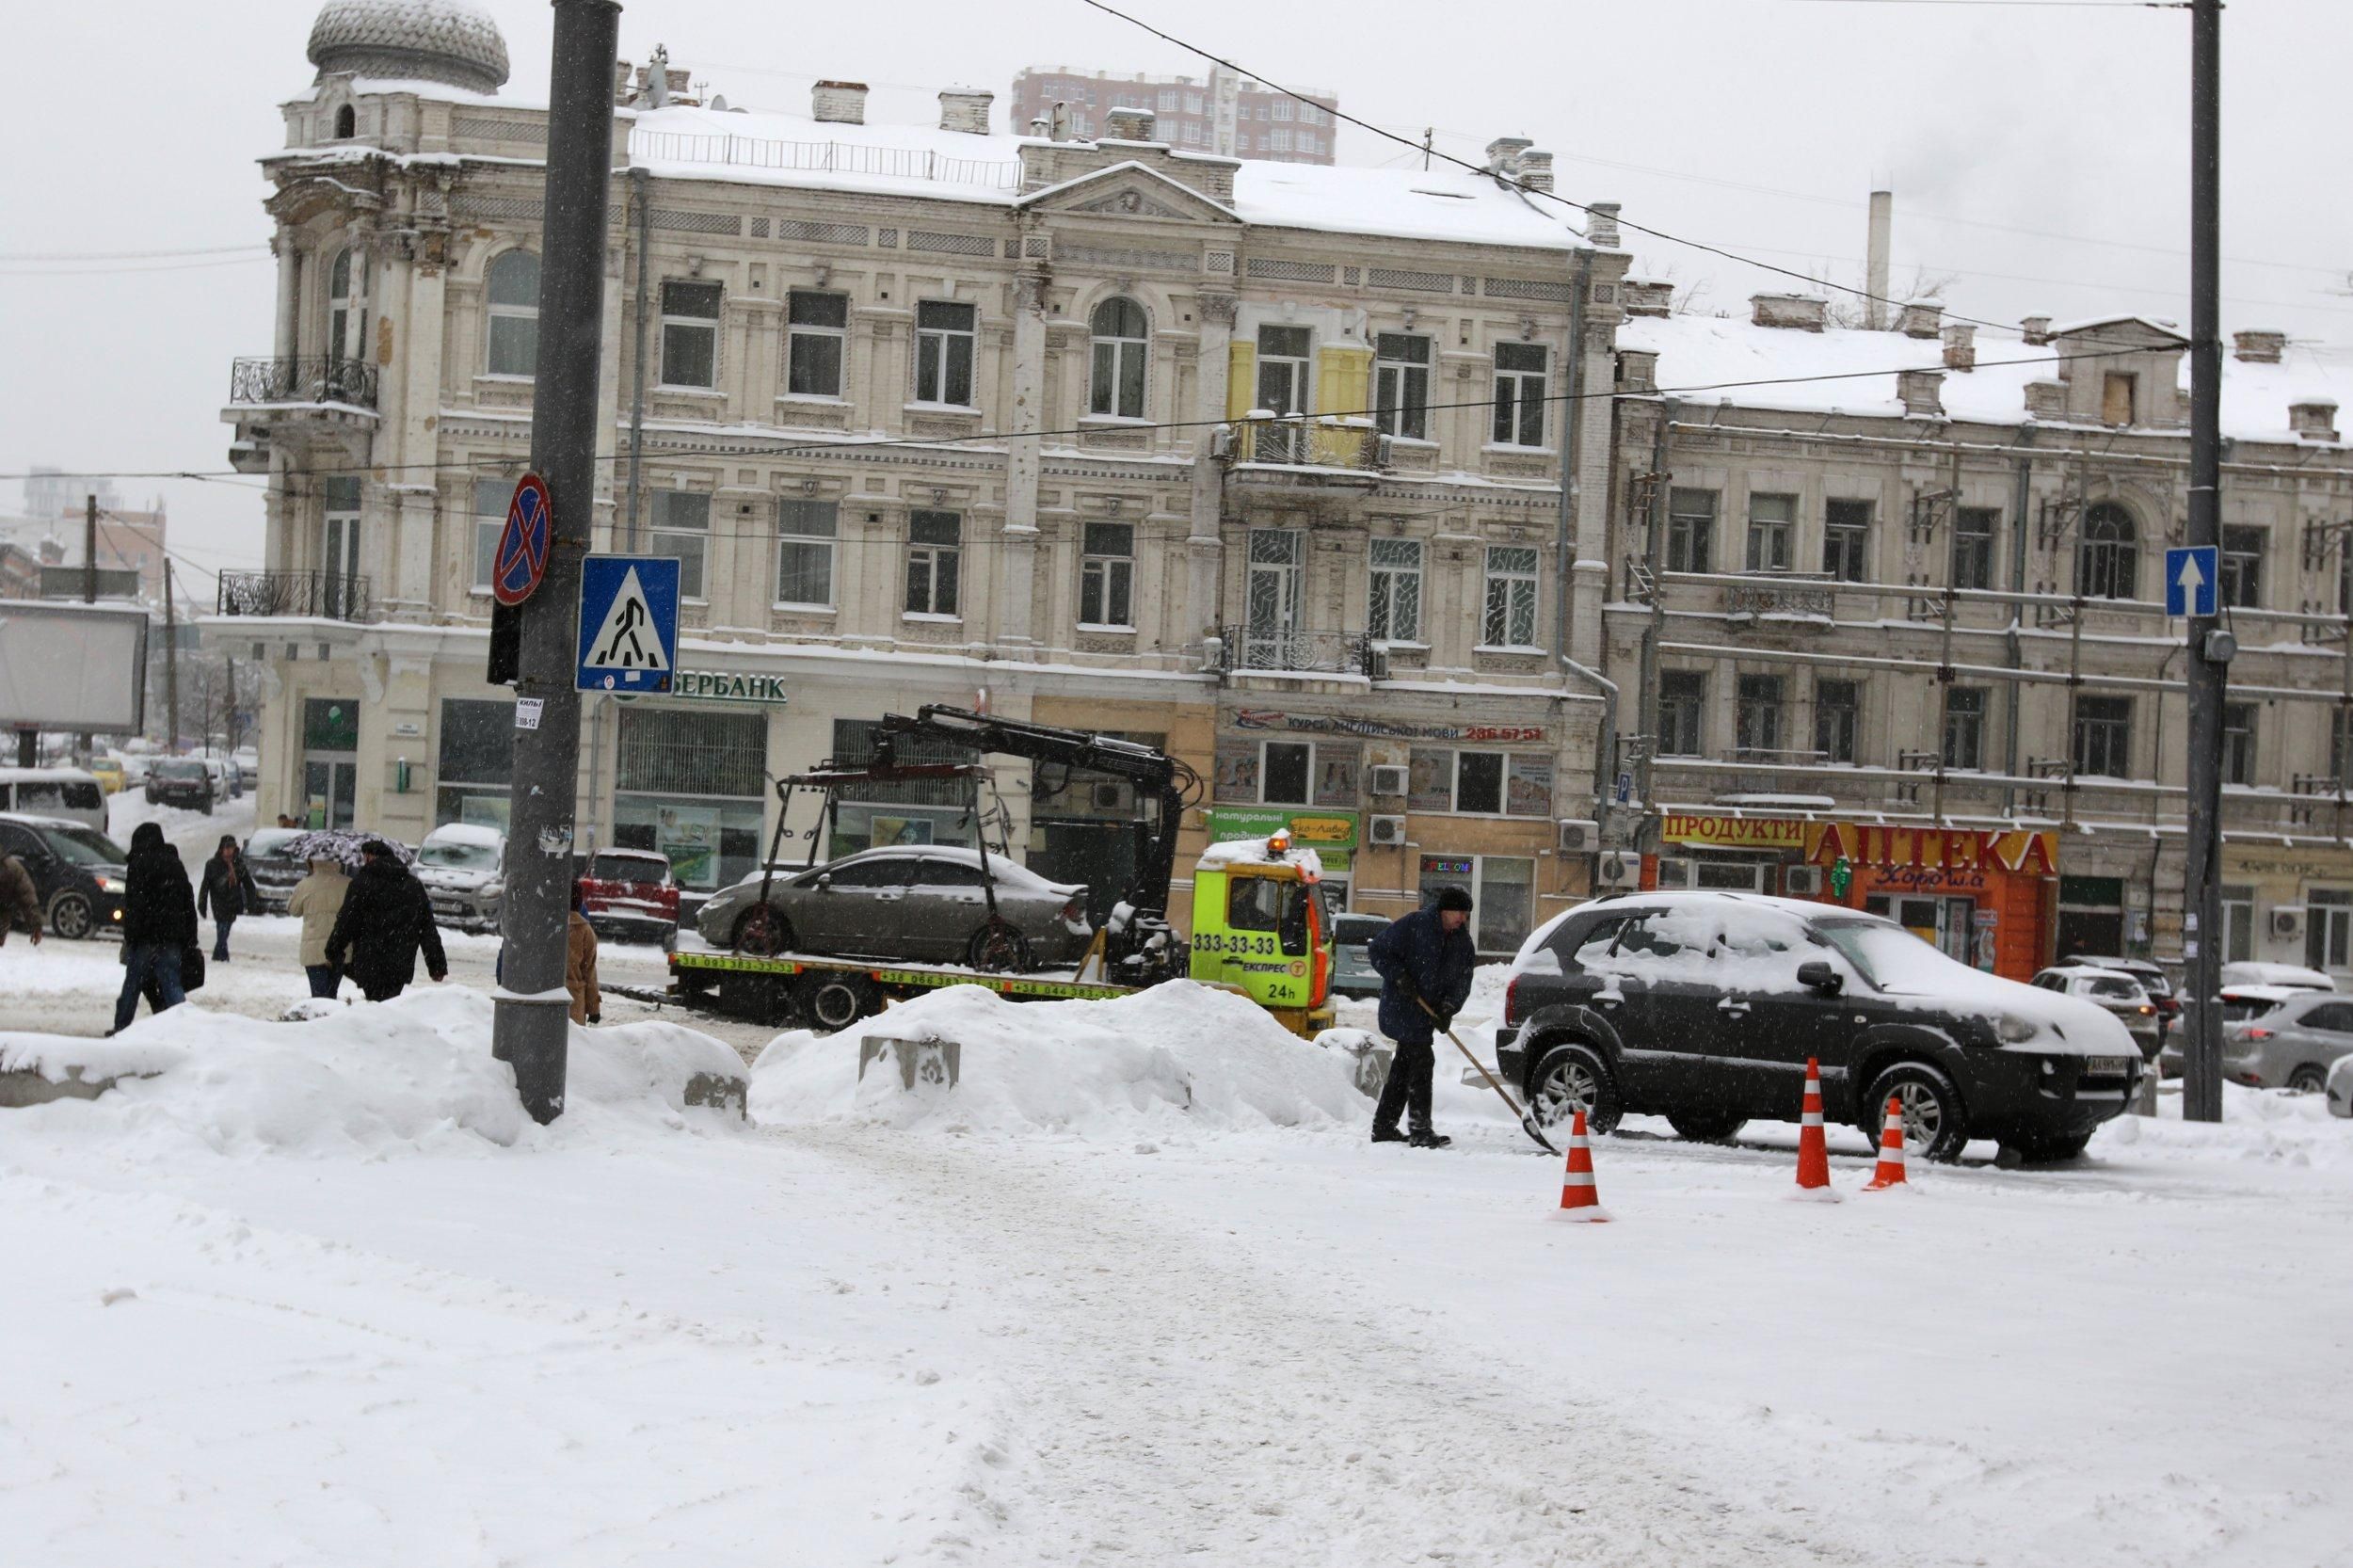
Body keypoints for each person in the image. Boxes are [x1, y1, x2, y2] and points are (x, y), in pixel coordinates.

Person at [1367, 885, 1479, 1149]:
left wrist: (1448, 1007)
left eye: (1465, 914)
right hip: (1404, 1006)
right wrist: (1400, 977)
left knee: (1403, 1069)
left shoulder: (1462, 942)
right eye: (1458, 912)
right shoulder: (1415, 925)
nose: (1462, 918)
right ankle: (1419, 1130)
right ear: (1444, 910)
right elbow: (1379, 951)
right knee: (1422, 1062)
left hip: (1428, 1014)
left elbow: (1463, 980)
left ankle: (1383, 1126)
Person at [325, 840, 448, 1002]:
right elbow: (427, 928)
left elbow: (347, 921)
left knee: (376, 1005)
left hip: (369, 960)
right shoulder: (413, 885)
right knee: (390, 1003)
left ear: (369, 856)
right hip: (400, 961)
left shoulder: (362, 884)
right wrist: (436, 964)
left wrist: (334, 950)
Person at [114, 822, 198, 1034]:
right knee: (171, 984)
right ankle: (184, 1028)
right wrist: (189, 937)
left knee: (132, 985)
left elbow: (134, 904)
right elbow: (187, 902)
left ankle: (121, 1028)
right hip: (171, 938)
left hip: (144, 937)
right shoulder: (175, 865)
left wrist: (131, 935)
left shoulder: (138, 864)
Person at [285, 854, 350, 999]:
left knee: (318, 997)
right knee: (331, 995)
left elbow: (293, 910)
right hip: (340, 949)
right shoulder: (348, 884)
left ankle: (320, 1020)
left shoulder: (305, 885)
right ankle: (330, 1019)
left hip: (314, 950)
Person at [198, 834, 261, 963]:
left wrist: (251, 904)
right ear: (221, 849)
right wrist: (202, 904)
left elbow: (249, 885)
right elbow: (205, 886)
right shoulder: (212, 864)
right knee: (222, 928)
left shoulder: (239, 865)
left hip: (233, 903)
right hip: (218, 903)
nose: (228, 850)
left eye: (230, 847)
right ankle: (222, 956)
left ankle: (219, 955)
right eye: (226, 847)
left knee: (224, 930)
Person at [567, 882, 602, 1025]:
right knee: (573, 1045)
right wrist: (594, 1008)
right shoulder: (585, 931)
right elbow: (589, 972)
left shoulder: (546, 926)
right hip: (574, 1004)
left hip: (545, 997)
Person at [0, 845, 43, 949]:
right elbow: (27, 897)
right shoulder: (10, 867)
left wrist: (36, 925)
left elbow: (27, 897)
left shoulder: (9, 867)